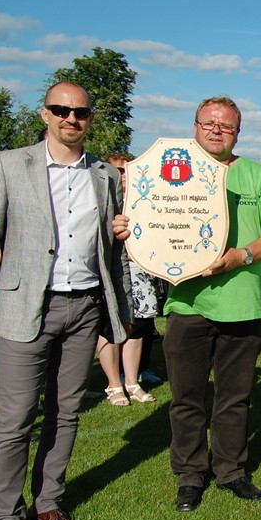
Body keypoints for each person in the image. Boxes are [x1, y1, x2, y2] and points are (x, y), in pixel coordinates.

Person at [0, 81, 132, 520]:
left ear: (90, 118)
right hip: (24, 309)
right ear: (45, 114)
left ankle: (49, 503)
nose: (71, 119)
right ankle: (5, 517)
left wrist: (122, 233)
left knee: (66, 413)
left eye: (80, 112)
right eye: (61, 110)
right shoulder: (10, 165)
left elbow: (111, 246)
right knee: (16, 418)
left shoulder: (105, 175)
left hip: (83, 308)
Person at [117, 96, 261, 512]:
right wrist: (130, 227)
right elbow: (147, 221)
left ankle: (231, 471)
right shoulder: (169, 174)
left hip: (242, 305)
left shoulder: (258, 176)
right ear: (195, 126)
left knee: (235, 397)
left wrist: (242, 257)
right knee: (187, 398)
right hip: (187, 303)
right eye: (209, 123)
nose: (217, 130)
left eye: (226, 126)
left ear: (238, 132)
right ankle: (190, 475)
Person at [95, 153, 157, 406]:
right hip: (109, 269)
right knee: (109, 326)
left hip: (139, 270)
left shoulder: (143, 201)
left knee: (139, 324)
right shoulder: (99, 200)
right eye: (117, 170)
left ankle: (132, 381)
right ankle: (113, 384)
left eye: (126, 171)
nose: (122, 175)